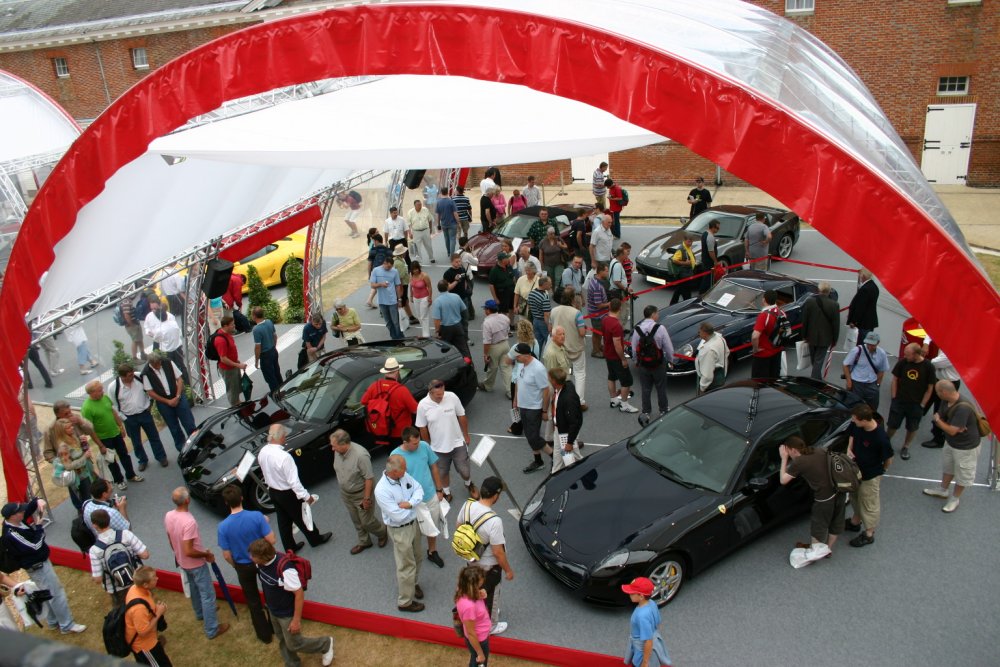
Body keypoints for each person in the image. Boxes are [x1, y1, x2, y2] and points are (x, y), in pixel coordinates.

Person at [1, 499, 87, 634]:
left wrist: (37, 501)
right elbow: (35, 546)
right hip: (38, 567)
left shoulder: (14, 522)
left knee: (46, 594)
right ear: (13, 516)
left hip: (37, 566)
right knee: (56, 594)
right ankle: (67, 625)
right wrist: (39, 526)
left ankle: (53, 621)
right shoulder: (12, 534)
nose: (24, 512)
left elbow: (29, 509)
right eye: (20, 511)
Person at [249, 539, 335, 667]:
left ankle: (325, 643)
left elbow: (299, 594)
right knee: (282, 638)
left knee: (294, 643)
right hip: (273, 609)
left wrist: (296, 620)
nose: (251, 558)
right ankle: (292, 663)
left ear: (263, 557)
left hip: (286, 613)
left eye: (253, 556)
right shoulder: (260, 564)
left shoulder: (286, 570)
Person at [163, 487, 230, 639]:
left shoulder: (169, 515)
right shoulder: (189, 522)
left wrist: (177, 552)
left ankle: (200, 613)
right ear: (187, 500)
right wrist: (206, 554)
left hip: (182, 561)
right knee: (208, 595)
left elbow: (170, 538)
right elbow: (189, 550)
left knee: (194, 589)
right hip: (195, 563)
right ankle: (212, 629)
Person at [258, 424, 332, 552]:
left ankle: (289, 547)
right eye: (284, 435)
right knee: (302, 517)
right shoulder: (284, 457)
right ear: (280, 437)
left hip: (273, 491)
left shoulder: (263, 451)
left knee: (283, 521)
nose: (285, 437)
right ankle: (315, 539)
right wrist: (306, 497)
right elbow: (294, 482)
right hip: (287, 493)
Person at [454, 476, 513, 634]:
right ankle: (492, 625)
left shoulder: (468, 505)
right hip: (489, 565)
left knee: (476, 588)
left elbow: (458, 526)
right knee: (492, 593)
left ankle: (480, 613)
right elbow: (498, 552)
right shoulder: (494, 521)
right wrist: (508, 570)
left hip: (471, 559)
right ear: (496, 495)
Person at [217, 485, 275, 644]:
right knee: (271, 593)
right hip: (263, 562)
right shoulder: (256, 516)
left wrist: (236, 565)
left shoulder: (222, 527)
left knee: (253, 601)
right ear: (241, 498)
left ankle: (264, 635)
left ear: (226, 503)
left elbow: (226, 555)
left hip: (243, 567)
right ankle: (275, 626)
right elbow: (272, 540)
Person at [374, 455, 426, 612]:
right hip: (399, 531)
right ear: (395, 471)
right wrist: (413, 508)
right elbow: (397, 516)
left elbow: (419, 489)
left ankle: (413, 584)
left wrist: (409, 504)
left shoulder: (404, 476)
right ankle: (405, 602)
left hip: (414, 525)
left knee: (417, 557)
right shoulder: (381, 490)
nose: (407, 470)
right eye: (404, 468)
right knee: (405, 565)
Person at [922, 380, 983, 513]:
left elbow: (948, 428)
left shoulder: (963, 407)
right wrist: (944, 423)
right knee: (948, 467)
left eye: (937, 392)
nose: (936, 394)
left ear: (943, 392)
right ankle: (943, 490)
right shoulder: (946, 400)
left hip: (966, 447)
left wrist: (939, 421)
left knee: (962, 474)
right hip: (951, 442)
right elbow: (944, 420)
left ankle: (955, 498)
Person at [779, 435, 845, 560]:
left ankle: (815, 551)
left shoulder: (799, 462)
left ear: (793, 450)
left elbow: (783, 480)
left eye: (787, 451)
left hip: (824, 498)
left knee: (818, 525)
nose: (788, 454)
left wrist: (783, 459)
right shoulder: (818, 450)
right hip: (838, 490)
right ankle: (828, 549)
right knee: (836, 521)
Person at [392, 426, 447, 567]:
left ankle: (432, 551)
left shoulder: (424, 446)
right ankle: (414, 556)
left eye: (419, 442)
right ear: (405, 442)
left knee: (433, 526)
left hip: (430, 496)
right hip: (412, 503)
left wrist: (439, 489)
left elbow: (434, 467)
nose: (418, 445)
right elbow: (394, 482)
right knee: (414, 532)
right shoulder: (395, 456)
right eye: (414, 443)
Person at [416, 379, 476, 501]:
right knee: (442, 473)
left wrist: (466, 435)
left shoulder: (452, 396)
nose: (441, 397)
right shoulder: (422, 405)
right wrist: (428, 446)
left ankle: (469, 483)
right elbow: (422, 428)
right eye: (438, 395)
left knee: (465, 470)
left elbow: (462, 415)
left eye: (442, 394)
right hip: (438, 448)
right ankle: (447, 492)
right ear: (430, 393)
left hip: (457, 442)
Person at [330, 429, 388, 554]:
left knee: (366, 521)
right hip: (346, 494)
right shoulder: (338, 451)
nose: (332, 449)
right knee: (356, 519)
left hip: (361, 494)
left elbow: (369, 478)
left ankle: (383, 532)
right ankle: (364, 541)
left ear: (343, 444)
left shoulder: (361, 455)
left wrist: (366, 499)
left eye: (334, 446)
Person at [843, 404, 894, 547]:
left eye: (855, 420)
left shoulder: (881, 438)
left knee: (869, 503)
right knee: (855, 496)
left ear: (864, 420)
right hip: (855, 471)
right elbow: (852, 435)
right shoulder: (858, 426)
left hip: (870, 475)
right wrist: (849, 448)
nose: (853, 421)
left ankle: (869, 533)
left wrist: (881, 471)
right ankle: (855, 521)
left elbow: (889, 459)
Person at [81, 379, 143, 489]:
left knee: (124, 455)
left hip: (116, 433)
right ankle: (119, 481)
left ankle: (131, 475)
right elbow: (90, 430)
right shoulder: (87, 408)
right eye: (100, 390)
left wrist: (120, 426)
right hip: (104, 438)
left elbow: (112, 411)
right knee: (111, 460)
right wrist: (100, 445)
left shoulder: (104, 398)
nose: (103, 392)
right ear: (92, 393)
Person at [89, 508, 149, 609]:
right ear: (109, 520)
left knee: (122, 613)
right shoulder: (126, 534)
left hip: (116, 588)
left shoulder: (94, 550)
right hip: (136, 579)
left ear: (94, 525)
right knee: (144, 606)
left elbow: (98, 579)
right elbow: (145, 555)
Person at [887, 342, 936, 461]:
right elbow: (895, 380)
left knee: (912, 427)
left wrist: (922, 404)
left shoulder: (928, 366)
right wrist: (894, 397)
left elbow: (930, 388)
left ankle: (906, 446)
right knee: (892, 425)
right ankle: (886, 443)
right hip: (899, 401)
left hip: (916, 404)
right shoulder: (903, 363)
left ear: (916, 354)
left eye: (907, 354)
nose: (905, 356)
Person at [113, 363, 167, 471]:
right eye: (129, 375)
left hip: (145, 413)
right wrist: (124, 418)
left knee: (154, 437)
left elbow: (150, 390)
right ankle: (142, 460)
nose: (132, 376)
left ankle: (161, 457)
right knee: (136, 441)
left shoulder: (139, 377)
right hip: (130, 418)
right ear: (122, 376)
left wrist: (150, 404)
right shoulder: (113, 387)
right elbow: (114, 405)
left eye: (132, 373)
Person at [142, 351, 196, 454]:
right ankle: (183, 450)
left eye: (159, 363)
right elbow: (150, 392)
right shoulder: (146, 373)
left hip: (178, 397)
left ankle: (197, 443)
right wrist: (167, 401)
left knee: (189, 423)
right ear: (151, 363)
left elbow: (179, 380)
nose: (158, 366)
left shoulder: (167, 362)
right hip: (164, 404)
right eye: (156, 365)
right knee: (174, 428)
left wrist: (178, 396)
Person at [361, 357, 419, 449]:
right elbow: (415, 410)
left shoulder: (374, 386)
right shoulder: (402, 390)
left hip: (382, 431)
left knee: (392, 457)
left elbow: (363, 401)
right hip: (400, 433)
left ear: (385, 372)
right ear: (397, 371)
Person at [631, 304, 673, 426]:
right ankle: (663, 410)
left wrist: (636, 361)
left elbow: (634, 349)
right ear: (653, 314)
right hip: (658, 364)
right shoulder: (660, 328)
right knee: (661, 387)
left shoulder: (638, 329)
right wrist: (671, 360)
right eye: (657, 313)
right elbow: (668, 347)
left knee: (646, 388)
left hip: (644, 364)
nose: (658, 315)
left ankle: (646, 411)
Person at [514, 342, 552, 473]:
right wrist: (515, 401)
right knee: (530, 436)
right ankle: (538, 460)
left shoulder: (538, 368)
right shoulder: (521, 364)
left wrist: (544, 410)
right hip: (523, 406)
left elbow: (546, 390)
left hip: (534, 408)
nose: (515, 358)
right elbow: (519, 382)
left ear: (526, 355)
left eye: (517, 356)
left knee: (534, 437)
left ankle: (554, 456)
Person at [550, 288, 588, 410]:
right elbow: (582, 333)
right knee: (579, 373)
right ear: (573, 298)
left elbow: (550, 329)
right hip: (576, 347)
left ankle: (562, 400)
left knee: (564, 374)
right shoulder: (577, 313)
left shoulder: (554, 311)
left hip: (560, 348)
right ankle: (579, 402)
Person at [125, 567, 172, 666]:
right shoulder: (138, 608)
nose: (157, 578)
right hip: (145, 646)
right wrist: (159, 613)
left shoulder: (135, 588)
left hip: (150, 640)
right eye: (154, 577)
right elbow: (143, 632)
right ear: (145, 584)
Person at [622, 577, 672, 667]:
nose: (629, 594)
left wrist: (645, 663)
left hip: (642, 650)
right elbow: (658, 623)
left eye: (632, 593)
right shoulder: (652, 603)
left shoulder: (641, 616)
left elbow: (648, 641)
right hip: (650, 643)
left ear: (641, 596)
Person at [922, 346, 962, 449]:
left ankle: (938, 438)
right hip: (941, 379)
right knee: (928, 399)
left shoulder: (954, 350)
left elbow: (935, 363)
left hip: (948, 383)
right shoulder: (950, 345)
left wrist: (936, 362)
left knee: (940, 410)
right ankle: (919, 415)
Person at [604, 298, 639, 414]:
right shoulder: (617, 325)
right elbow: (617, 345)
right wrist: (623, 359)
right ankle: (624, 404)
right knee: (627, 381)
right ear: (619, 308)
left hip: (608, 354)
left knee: (611, 377)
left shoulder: (605, 320)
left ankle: (613, 399)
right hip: (616, 357)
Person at [50, 421, 96, 510]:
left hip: (85, 473)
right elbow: (68, 466)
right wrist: (84, 457)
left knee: (89, 497)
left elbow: (82, 451)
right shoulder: (63, 446)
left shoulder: (74, 438)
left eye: (71, 426)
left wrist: (84, 443)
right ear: (62, 431)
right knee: (85, 501)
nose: (72, 428)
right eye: (68, 428)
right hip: (77, 478)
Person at [800, 282, 840, 380]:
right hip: (825, 337)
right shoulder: (834, 305)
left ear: (819, 290)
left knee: (814, 360)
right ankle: (815, 380)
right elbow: (836, 324)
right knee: (818, 360)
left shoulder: (809, 302)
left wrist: (804, 335)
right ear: (829, 291)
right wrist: (835, 339)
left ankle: (816, 378)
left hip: (811, 336)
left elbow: (805, 320)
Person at [455, 565, 491, 667]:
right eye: (479, 584)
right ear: (472, 586)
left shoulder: (462, 588)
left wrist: (481, 593)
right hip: (479, 640)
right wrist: (480, 653)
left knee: (474, 658)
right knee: (479, 662)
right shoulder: (469, 607)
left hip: (479, 637)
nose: (482, 584)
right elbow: (471, 633)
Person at [843, 331, 889, 410]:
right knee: (853, 409)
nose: (870, 346)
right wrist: (849, 382)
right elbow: (845, 365)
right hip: (856, 384)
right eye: (868, 344)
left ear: (878, 343)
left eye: (872, 344)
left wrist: (877, 385)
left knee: (872, 410)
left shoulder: (882, 353)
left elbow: (882, 370)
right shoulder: (857, 350)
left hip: (872, 385)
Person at [548, 368, 583, 473]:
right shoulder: (567, 386)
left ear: (554, 381)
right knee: (558, 452)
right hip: (560, 428)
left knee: (571, 456)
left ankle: (581, 471)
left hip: (565, 432)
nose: (548, 378)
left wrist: (569, 442)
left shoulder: (567, 399)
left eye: (549, 377)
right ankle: (555, 472)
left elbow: (574, 422)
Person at [212, 315, 246, 407]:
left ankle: (238, 403)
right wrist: (238, 365)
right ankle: (236, 407)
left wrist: (236, 361)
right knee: (232, 390)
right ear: (225, 326)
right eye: (232, 324)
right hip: (228, 369)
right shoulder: (220, 340)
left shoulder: (227, 334)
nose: (234, 326)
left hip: (233, 366)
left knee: (236, 388)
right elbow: (223, 359)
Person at [479, 299, 512, 394]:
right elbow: (508, 330)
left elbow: (487, 342)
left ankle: (488, 386)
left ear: (488, 310)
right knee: (506, 368)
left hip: (494, 347)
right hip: (505, 344)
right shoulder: (504, 317)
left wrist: (485, 355)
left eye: (485, 308)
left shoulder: (487, 323)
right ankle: (510, 391)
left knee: (492, 368)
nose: (484, 310)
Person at [749, 289, 783, 379]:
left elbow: (755, 336)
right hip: (776, 351)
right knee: (774, 380)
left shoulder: (764, 316)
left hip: (763, 355)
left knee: (759, 383)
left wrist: (755, 349)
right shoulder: (781, 312)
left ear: (764, 300)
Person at [433, 279, 471, 357]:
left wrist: (437, 331)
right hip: (458, 326)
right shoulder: (456, 296)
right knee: (463, 348)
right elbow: (464, 311)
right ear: (447, 287)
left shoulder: (437, 301)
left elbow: (437, 319)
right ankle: (469, 366)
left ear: (438, 289)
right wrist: (464, 325)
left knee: (444, 348)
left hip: (446, 329)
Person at [370, 252, 403, 340]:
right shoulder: (376, 270)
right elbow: (372, 285)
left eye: (390, 267)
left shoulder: (394, 271)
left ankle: (399, 337)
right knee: (388, 322)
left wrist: (399, 299)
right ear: (384, 263)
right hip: (382, 301)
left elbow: (397, 285)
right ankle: (393, 337)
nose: (389, 268)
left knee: (396, 321)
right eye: (388, 267)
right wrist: (380, 284)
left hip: (392, 300)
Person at [443, 252, 475, 340]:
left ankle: (465, 337)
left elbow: (464, 281)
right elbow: (448, 288)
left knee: (465, 319)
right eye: (456, 262)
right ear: (452, 262)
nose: (459, 264)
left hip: (464, 298)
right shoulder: (447, 273)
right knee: (456, 320)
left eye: (460, 261)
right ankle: (456, 337)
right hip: (453, 300)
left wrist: (466, 289)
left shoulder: (462, 269)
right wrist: (456, 281)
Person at [252, 306, 282, 394]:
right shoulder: (269, 322)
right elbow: (275, 336)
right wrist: (273, 346)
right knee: (277, 372)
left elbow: (258, 347)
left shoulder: (256, 329)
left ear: (254, 316)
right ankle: (282, 389)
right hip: (273, 351)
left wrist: (256, 360)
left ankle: (276, 394)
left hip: (265, 356)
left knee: (270, 377)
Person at [694, 322, 729, 394]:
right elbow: (727, 353)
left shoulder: (708, 350)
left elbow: (707, 375)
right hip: (720, 376)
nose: (698, 334)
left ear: (705, 333)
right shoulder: (720, 339)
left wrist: (702, 389)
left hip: (711, 384)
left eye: (699, 332)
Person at [847, 268, 879, 345]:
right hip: (870, 321)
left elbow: (860, 308)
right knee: (867, 343)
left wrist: (854, 321)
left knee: (861, 344)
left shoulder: (865, 289)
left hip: (863, 323)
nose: (860, 278)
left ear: (864, 276)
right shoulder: (874, 287)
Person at [587, 262, 611, 358]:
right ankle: (595, 351)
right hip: (597, 314)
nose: (607, 272)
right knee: (597, 333)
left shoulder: (594, 279)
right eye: (606, 271)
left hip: (597, 313)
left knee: (599, 332)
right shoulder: (597, 286)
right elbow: (599, 305)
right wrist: (609, 304)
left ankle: (598, 346)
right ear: (600, 272)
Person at [393, 244, 418, 329]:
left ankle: (411, 317)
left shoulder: (399, 260)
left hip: (403, 284)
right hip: (402, 285)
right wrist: (401, 290)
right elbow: (399, 277)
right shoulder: (399, 263)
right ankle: (402, 320)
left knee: (405, 301)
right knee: (401, 302)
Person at [669, 236, 697, 305]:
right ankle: (687, 305)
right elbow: (674, 260)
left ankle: (673, 304)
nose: (690, 243)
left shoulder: (687, 248)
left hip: (687, 273)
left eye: (691, 242)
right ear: (684, 240)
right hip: (684, 275)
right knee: (686, 292)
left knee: (679, 289)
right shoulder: (681, 249)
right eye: (689, 241)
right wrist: (685, 263)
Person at [527, 275, 552, 350]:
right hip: (543, 322)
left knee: (537, 345)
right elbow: (546, 315)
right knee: (549, 343)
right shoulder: (545, 297)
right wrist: (549, 326)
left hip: (535, 320)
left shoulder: (532, 293)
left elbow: (529, 306)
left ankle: (536, 359)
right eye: (550, 284)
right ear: (545, 284)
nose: (551, 285)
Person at [409, 261, 433, 338]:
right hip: (416, 298)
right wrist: (411, 296)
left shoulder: (424, 276)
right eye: (413, 269)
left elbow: (429, 287)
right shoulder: (411, 275)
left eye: (416, 269)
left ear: (419, 268)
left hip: (424, 297)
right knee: (419, 316)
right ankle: (425, 331)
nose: (415, 271)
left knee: (424, 316)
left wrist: (429, 298)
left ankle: (426, 335)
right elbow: (411, 286)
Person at [120, 294, 147, 363]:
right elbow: (126, 315)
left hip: (135, 323)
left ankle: (143, 354)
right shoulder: (126, 303)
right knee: (135, 341)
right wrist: (131, 324)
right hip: (132, 325)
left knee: (139, 339)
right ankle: (134, 358)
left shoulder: (126, 301)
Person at [488, 252, 516, 316]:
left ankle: (511, 324)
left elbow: (513, 279)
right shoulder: (494, 271)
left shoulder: (509, 267)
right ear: (502, 260)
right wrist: (495, 299)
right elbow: (491, 285)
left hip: (511, 292)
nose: (509, 259)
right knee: (503, 312)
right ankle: (504, 324)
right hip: (502, 294)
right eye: (507, 258)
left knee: (511, 309)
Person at [699, 218, 721, 294]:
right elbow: (711, 251)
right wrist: (715, 261)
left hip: (704, 260)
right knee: (707, 280)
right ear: (713, 227)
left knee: (706, 278)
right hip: (709, 262)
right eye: (717, 228)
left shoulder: (705, 233)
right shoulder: (710, 237)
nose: (718, 230)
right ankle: (703, 294)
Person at [437, 188, 461, 257]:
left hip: (444, 223)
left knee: (446, 238)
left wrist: (438, 224)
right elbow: (455, 213)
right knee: (452, 238)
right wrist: (458, 222)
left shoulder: (439, 202)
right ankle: (452, 254)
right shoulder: (451, 202)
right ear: (447, 192)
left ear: (441, 192)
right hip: (452, 223)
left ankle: (448, 251)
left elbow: (438, 215)